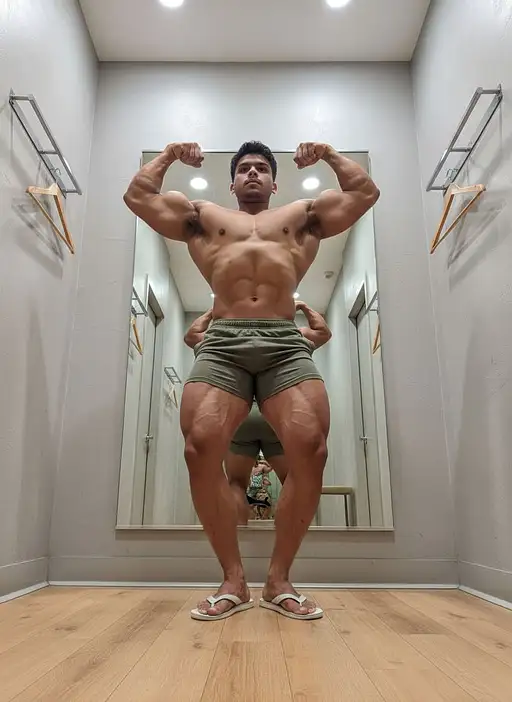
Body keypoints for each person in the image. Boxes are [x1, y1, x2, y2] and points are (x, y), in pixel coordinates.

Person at [124, 140, 379, 621]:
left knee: (311, 447)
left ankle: (279, 580)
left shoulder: (302, 215)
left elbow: (364, 192)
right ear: (233, 181)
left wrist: (327, 154)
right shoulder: (203, 215)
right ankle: (233, 581)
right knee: (200, 446)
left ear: (275, 182)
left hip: (284, 339)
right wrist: (170, 155)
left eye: (262, 168)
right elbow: (138, 197)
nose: (254, 173)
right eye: (244, 168)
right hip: (224, 339)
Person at [184, 300, 332, 526]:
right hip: (276, 416)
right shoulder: (291, 335)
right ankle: (292, 539)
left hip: (241, 417)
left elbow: (191, 336)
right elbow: (323, 332)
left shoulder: (221, 337)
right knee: (292, 480)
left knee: (236, 484)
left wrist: (215, 312)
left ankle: (240, 537)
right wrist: (302, 306)